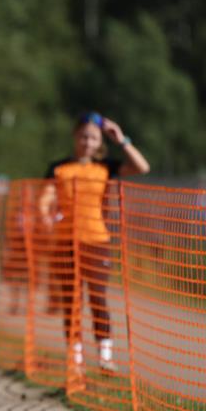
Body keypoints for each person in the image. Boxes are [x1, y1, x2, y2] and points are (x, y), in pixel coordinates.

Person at [38, 112, 150, 376]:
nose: (87, 142)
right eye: (83, 136)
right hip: (65, 242)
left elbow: (142, 167)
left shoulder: (105, 168)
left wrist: (122, 140)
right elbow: (46, 196)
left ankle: (105, 357)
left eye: (93, 138)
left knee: (97, 298)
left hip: (96, 240)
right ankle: (75, 358)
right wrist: (44, 214)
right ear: (75, 137)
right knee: (72, 301)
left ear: (99, 142)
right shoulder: (58, 168)